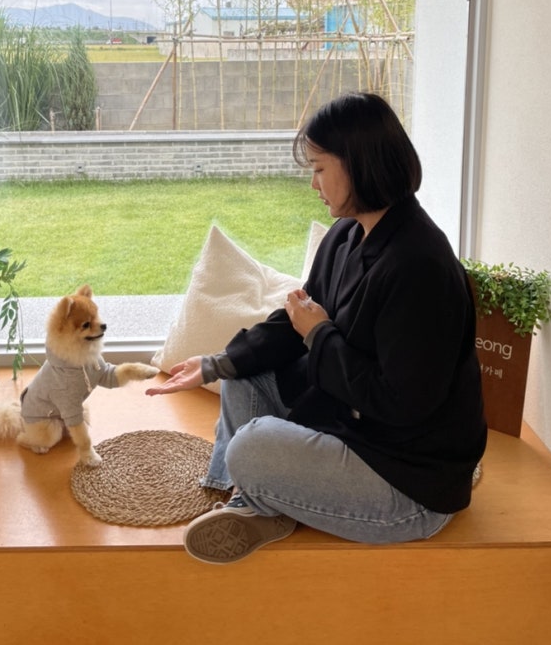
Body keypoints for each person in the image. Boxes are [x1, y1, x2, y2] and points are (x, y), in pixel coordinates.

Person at [147, 91, 487, 564]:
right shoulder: (347, 236)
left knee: (250, 447)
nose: (312, 183)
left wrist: (319, 334)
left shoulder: (419, 268)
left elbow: (401, 403)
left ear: (359, 164)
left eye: (320, 168)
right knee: (241, 378)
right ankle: (256, 499)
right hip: (348, 423)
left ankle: (259, 493)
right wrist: (215, 364)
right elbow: (295, 322)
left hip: (406, 479)